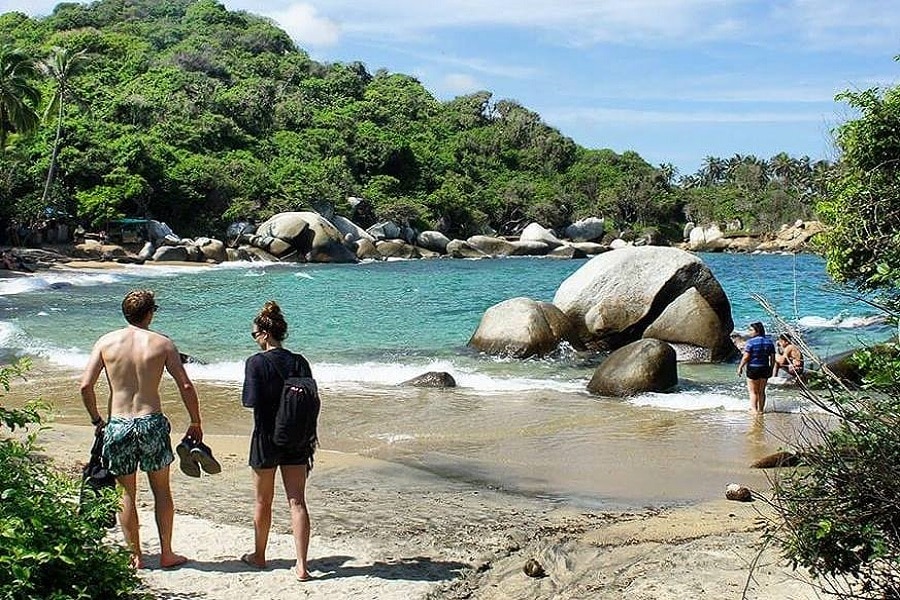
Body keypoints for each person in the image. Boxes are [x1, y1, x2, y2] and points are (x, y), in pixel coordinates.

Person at [79, 289, 203, 570]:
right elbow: (185, 385)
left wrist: (97, 420)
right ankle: (167, 553)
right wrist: (195, 421)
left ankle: (136, 556)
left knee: (126, 493)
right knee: (161, 490)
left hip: (118, 423)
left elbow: (85, 385)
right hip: (151, 422)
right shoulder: (163, 344)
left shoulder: (106, 342)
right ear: (150, 313)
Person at [240, 300, 315, 581]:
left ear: (265, 334)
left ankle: (259, 556)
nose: (255, 339)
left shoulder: (256, 362)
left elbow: (249, 401)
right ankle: (302, 566)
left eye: (254, 334)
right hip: (296, 437)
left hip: (265, 438)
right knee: (297, 502)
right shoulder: (299, 361)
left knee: (263, 501)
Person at [737, 321, 776, 413]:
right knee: (761, 391)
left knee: (753, 392)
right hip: (765, 368)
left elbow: (746, 357)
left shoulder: (750, 343)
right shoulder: (769, 342)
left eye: (751, 330)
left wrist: (740, 367)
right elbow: (773, 358)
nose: (749, 332)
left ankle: (754, 411)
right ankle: (761, 410)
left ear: (757, 331)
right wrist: (771, 368)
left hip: (753, 368)